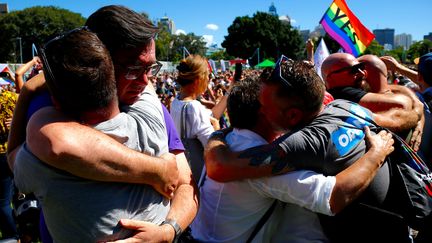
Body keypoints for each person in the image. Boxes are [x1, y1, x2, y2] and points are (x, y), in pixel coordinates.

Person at [8, 5, 197, 242]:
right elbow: (56, 142)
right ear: (100, 58)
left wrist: (168, 231)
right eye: (134, 68)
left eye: (150, 67)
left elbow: (186, 185)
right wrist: (157, 170)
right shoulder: (50, 101)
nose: (145, 80)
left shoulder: (151, 107)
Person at [205, 57, 413, 242]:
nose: (260, 109)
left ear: (293, 116)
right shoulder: (343, 106)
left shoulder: (302, 143)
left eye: (263, 105)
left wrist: (217, 135)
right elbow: (398, 118)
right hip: (399, 222)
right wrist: (417, 112)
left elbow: (220, 166)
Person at [322, 53, 423, 150]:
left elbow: (393, 91)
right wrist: (418, 111)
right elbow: (401, 106)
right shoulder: (342, 93)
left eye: (361, 67)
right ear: (331, 76)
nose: (363, 73)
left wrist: (417, 103)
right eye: (354, 70)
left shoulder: (350, 90)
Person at [0, 88, 18, 240]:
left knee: (3, 201)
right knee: (14, 196)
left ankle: (12, 235)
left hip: (2, 155)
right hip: (14, 149)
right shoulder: (10, 97)